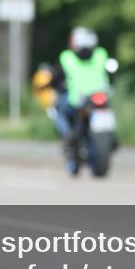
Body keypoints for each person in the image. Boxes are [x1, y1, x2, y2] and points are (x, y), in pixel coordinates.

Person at [51, 26, 112, 175]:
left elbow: (56, 79)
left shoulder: (66, 57)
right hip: (100, 97)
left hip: (77, 100)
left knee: (57, 110)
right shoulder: (101, 54)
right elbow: (111, 73)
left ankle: (67, 137)